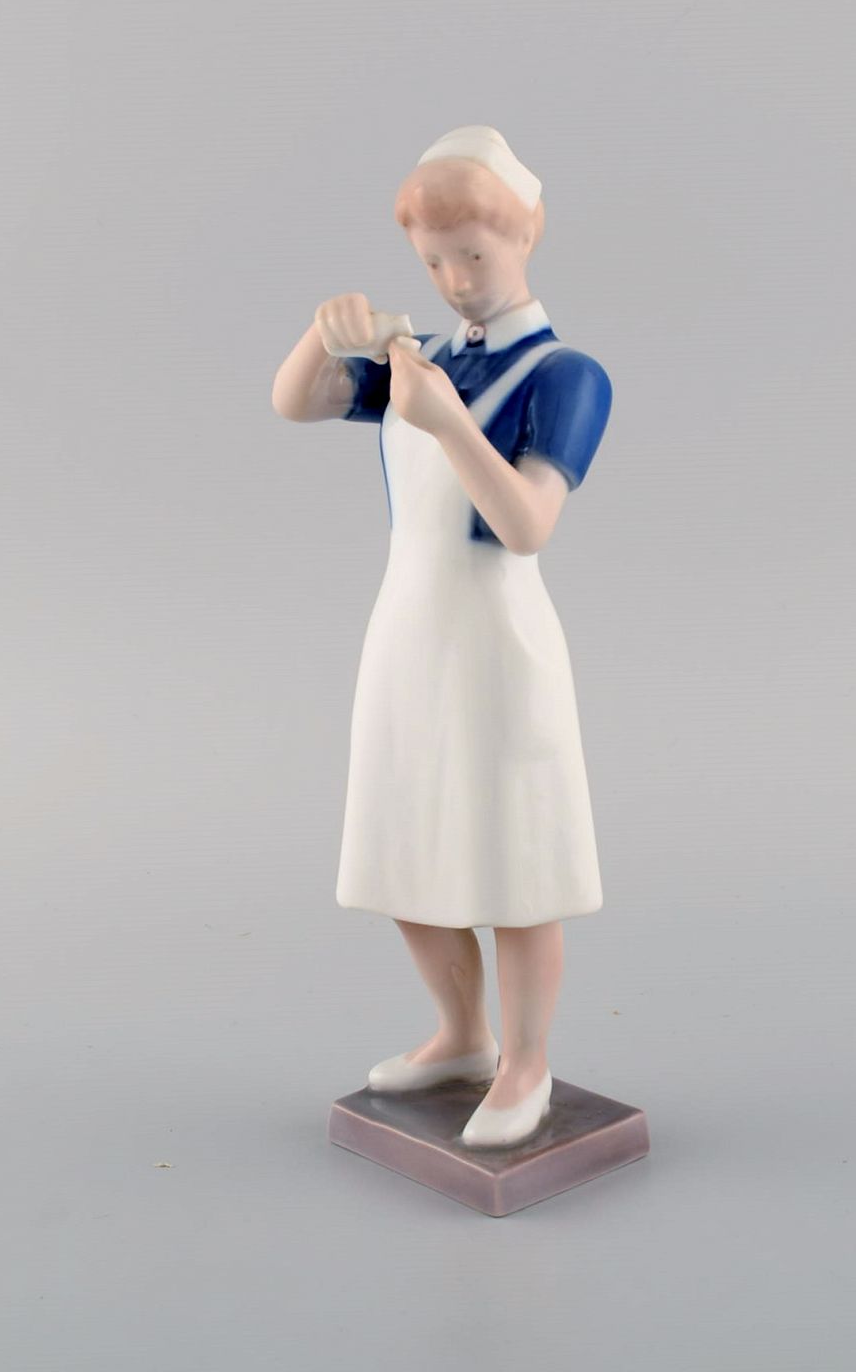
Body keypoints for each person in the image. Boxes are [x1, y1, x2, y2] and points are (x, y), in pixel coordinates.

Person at [272, 126, 612, 1147]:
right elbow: (295, 403)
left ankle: (526, 1062)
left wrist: (448, 423)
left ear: (525, 235)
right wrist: (324, 333)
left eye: (473, 252)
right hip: (408, 632)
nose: (457, 279)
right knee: (407, 840)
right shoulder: (421, 360)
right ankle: (461, 1034)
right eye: (433, 261)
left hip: (498, 643)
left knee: (515, 864)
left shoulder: (564, 375)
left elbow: (527, 525)